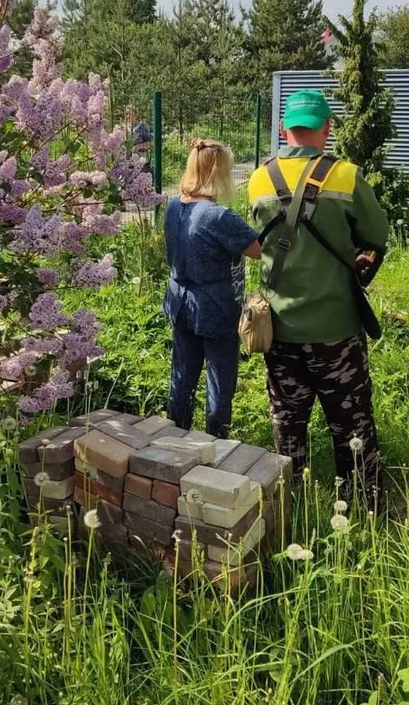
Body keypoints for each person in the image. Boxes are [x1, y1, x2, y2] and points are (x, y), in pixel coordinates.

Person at [247, 89, 389, 497]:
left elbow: (260, 238)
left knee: (287, 422)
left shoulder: (258, 178)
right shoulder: (346, 175)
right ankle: (363, 503)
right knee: (352, 423)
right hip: (336, 329)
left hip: (278, 327)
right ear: (327, 127)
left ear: (283, 129)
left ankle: (290, 501)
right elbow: (376, 235)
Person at [163, 139, 261, 438]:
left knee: (182, 376)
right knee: (220, 382)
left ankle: (174, 438)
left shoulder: (173, 206)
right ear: (219, 172)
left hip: (179, 301)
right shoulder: (219, 216)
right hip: (215, 307)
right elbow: (258, 250)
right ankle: (215, 443)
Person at [125, 108, 153, 175]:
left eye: (130, 114)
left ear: (136, 116)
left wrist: (138, 146)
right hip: (126, 164)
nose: (128, 116)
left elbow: (151, 143)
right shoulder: (123, 128)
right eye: (127, 114)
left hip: (141, 163)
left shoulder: (142, 127)